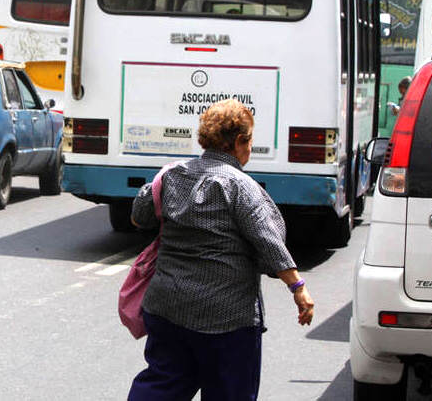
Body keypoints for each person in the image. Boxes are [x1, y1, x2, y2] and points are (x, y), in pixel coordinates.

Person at [127, 99, 314, 401]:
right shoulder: (241, 186)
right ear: (240, 141)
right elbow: (269, 242)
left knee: (162, 385)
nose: (251, 148)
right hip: (225, 321)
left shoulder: (172, 175)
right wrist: (298, 287)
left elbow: (140, 216)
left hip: (166, 308)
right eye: (250, 140)